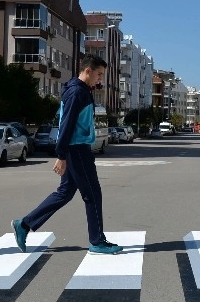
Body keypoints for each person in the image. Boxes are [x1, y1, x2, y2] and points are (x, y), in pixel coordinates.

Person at [12, 54, 123, 255]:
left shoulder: (80, 90)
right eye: (99, 74)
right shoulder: (77, 93)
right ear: (87, 71)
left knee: (65, 193)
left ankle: (24, 224)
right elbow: (66, 124)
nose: (100, 79)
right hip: (76, 149)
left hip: (76, 148)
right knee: (92, 194)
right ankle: (97, 241)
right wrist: (61, 155)